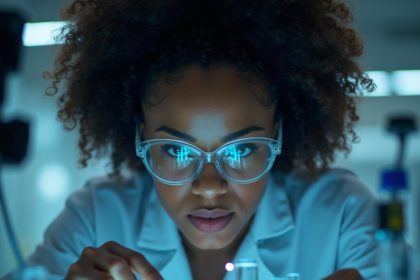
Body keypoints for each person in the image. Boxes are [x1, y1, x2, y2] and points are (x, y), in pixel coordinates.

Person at [3, 0, 379, 279]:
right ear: (140, 135)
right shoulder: (97, 215)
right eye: (176, 150)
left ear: (279, 134)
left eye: (243, 148)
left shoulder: (338, 212)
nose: (210, 187)